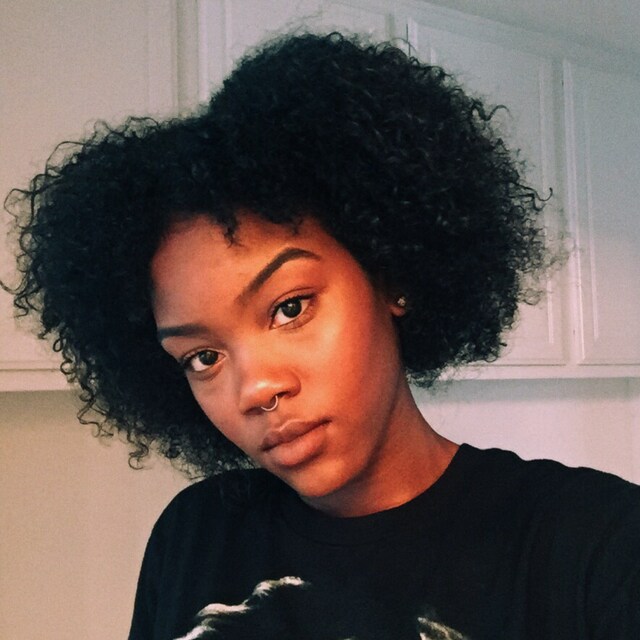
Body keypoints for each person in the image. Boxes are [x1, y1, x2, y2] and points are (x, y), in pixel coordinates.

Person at [4, 32, 638, 640]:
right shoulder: (193, 533)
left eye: (289, 308)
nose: (256, 389)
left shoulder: (599, 546)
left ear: (391, 275)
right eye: (203, 357)